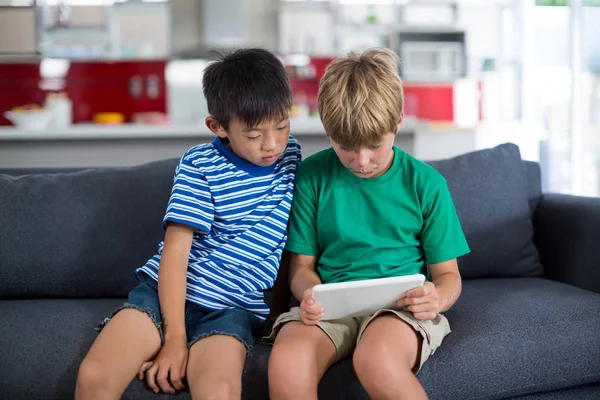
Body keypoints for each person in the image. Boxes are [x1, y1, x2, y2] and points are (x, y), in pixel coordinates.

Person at [75, 48, 301, 400]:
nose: (271, 144)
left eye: (282, 126)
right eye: (254, 135)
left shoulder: (292, 158)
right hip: (164, 294)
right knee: (95, 375)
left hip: (232, 309)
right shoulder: (201, 164)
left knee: (218, 391)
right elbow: (176, 254)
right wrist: (175, 339)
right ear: (218, 127)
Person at [266, 47, 470, 400]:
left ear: (398, 123)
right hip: (329, 310)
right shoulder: (312, 177)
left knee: (377, 359)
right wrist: (308, 294)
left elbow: (449, 277)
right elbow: (301, 269)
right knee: (287, 361)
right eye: (346, 147)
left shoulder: (427, 184)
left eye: (374, 146)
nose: (361, 161)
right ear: (327, 130)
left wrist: (436, 298)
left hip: (399, 309)